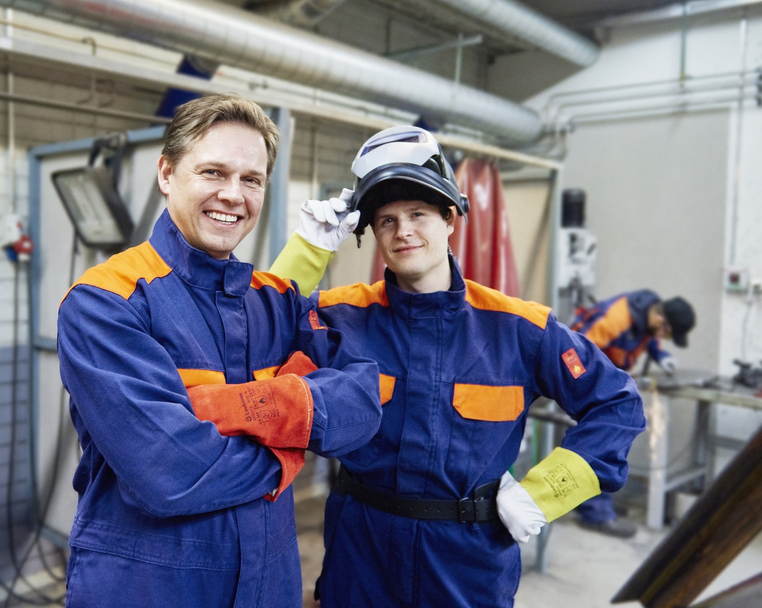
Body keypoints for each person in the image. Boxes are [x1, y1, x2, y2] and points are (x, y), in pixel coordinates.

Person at [268, 125, 646, 608]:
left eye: (418, 214)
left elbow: (617, 404)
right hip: (361, 553)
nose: (403, 230)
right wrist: (307, 251)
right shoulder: (341, 316)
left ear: (451, 218)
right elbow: (257, 335)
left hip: (468, 565)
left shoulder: (520, 328)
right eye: (386, 220)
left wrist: (547, 492)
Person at [56, 94, 382, 608]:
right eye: (213, 172)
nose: (233, 195)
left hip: (268, 582)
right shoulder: (106, 301)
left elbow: (362, 405)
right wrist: (291, 449)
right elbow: (170, 474)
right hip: (149, 587)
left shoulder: (277, 300)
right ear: (167, 173)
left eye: (251, 180)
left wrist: (263, 409)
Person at [569, 290, 696, 537]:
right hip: (580, 377)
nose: (664, 338)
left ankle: (595, 500)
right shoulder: (616, 319)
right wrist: (586, 390)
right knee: (603, 437)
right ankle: (596, 513)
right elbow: (573, 351)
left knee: (618, 435)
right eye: (667, 334)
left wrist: (662, 356)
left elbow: (650, 340)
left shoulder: (647, 319)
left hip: (607, 378)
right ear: (660, 319)